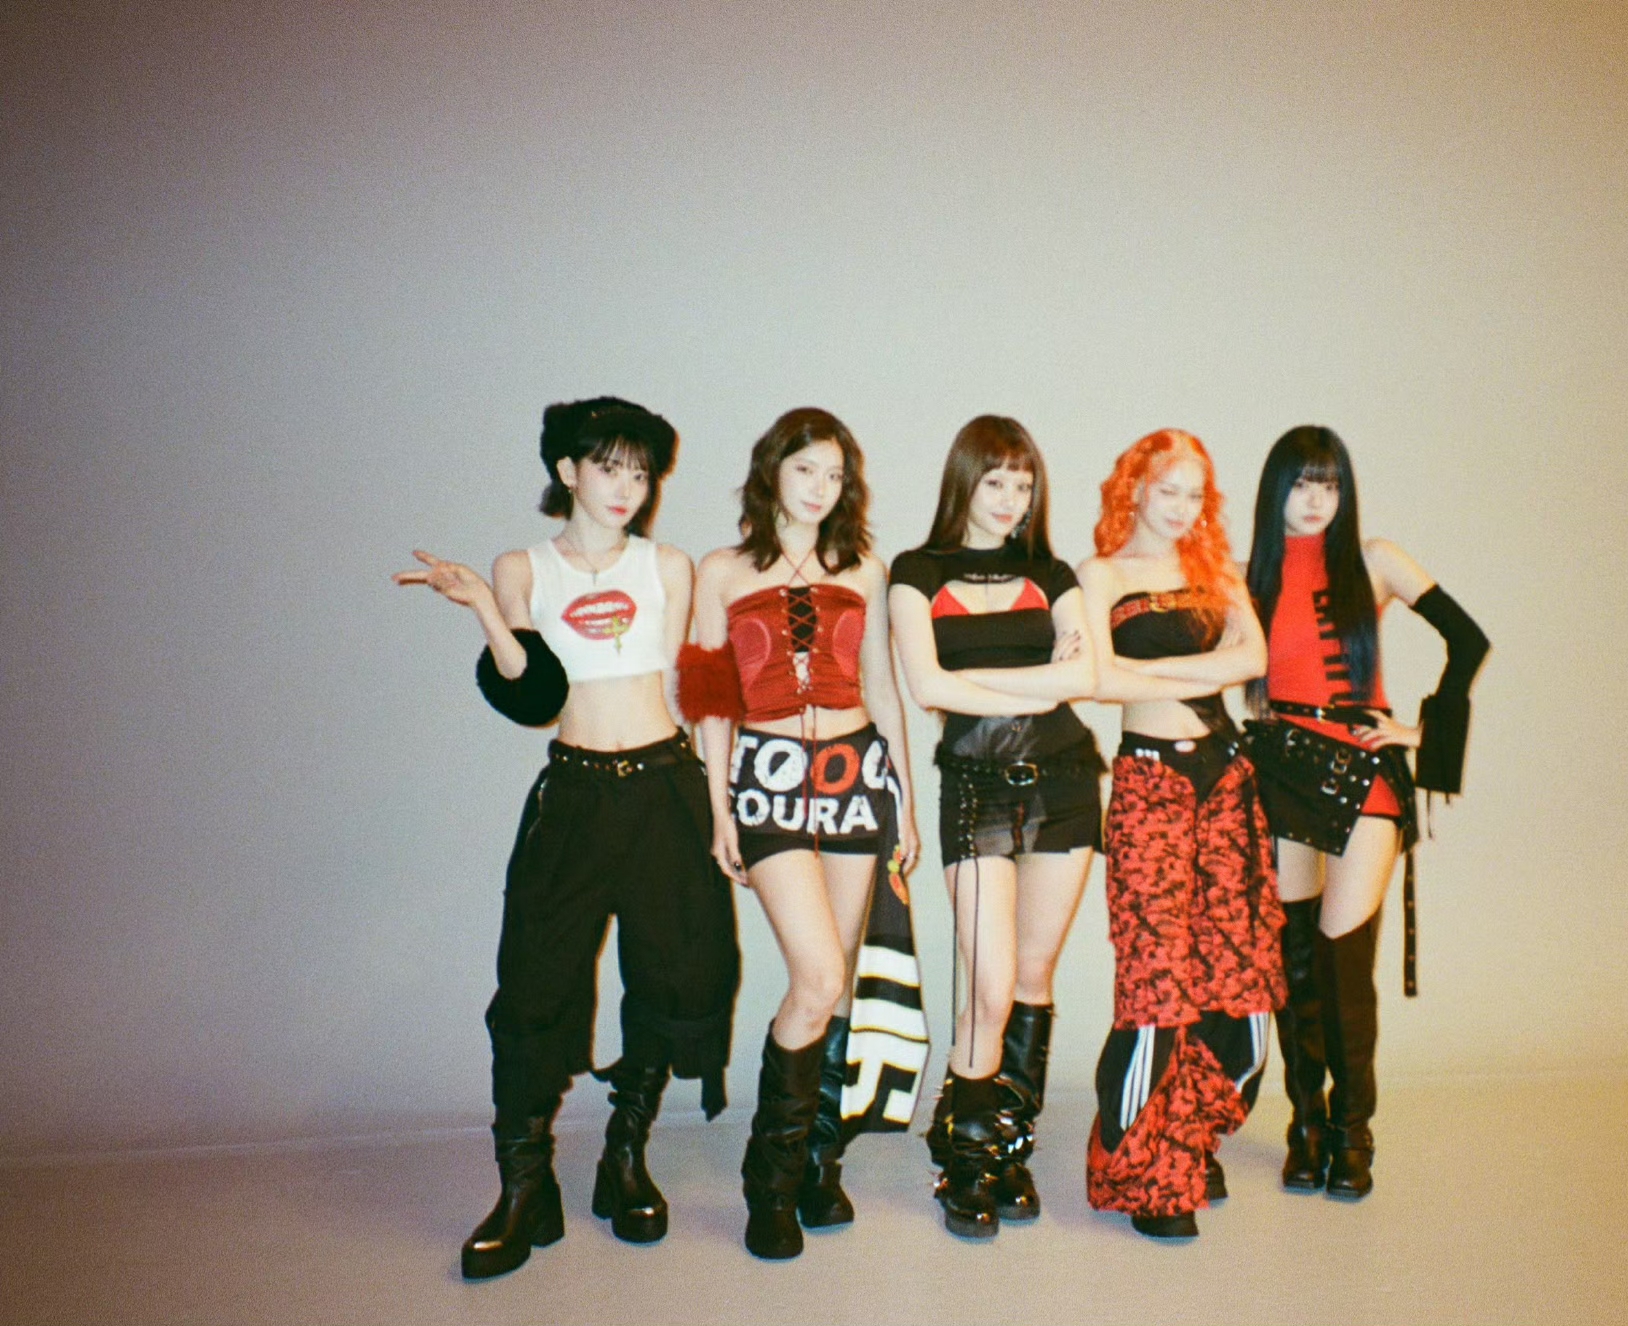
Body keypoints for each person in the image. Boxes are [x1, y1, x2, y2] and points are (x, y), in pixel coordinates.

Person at [393, 397, 740, 1280]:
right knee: (534, 982)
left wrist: (723, 809)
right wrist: (485, 608)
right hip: (576, 795)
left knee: (674, 971)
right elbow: (535, 695)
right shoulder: (524, 568)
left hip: (665, 788)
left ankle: (624, 1158)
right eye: (608, 467)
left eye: (640, 472)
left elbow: (697, 691)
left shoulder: (668, 565)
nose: (626, 487)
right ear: (567, 471)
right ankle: (524, 1186)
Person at [675, 407, 924, 1261]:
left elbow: (882, 689)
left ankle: (821, 1162)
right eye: (806, 470)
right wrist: (721, 807)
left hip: (856, 778)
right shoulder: (721, 569)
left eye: (834, 475)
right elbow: (709, 699)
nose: (821, 489)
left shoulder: (866, 567)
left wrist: (906, 803)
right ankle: (770, 1181)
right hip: (770, 781)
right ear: (772, 473)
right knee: (814, 977)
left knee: (840, 981)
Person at [1239, 424, 1489, 1199]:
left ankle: (1352, 1134)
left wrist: (1425, 735)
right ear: (1275, 489)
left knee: (1344, 962)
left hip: (1360, 768)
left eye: (1330, 484)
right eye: (1301, 483)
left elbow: (1467, 640)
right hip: (1280, 766)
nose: (1316, 499)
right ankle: (1306, 1124)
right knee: (1292, 962)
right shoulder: (1246, 574)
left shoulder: (1374, 559)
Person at [887, 416, 1100, 1239]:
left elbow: (1086, 674)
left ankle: (1007, 1148)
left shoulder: (1052, 572)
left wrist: (979, 680)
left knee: (1033, 975)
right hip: (974, 790)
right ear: (964, 481)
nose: (1011, 499)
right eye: (996, 481)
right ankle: (966, 1160)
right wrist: (1037, 681)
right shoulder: (916, 572)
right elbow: (925, 686)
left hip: (1066, 783)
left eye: (1024, 484)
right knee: (987, 980)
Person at [1077, 428, 1287, 1240]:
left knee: (1240, 984)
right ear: (1134, 488)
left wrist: (1147, 674)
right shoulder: (1100, 575)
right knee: (1156, 986)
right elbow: (1099, 680)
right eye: (1168, 489)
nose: (1182, 507)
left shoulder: (1217, 570)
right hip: (1151, 787)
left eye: (1195, 493)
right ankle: (1145, 1175)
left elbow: (1252, 659)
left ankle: (1190, 1139)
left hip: (1227, 783)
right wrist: (1199, 668)